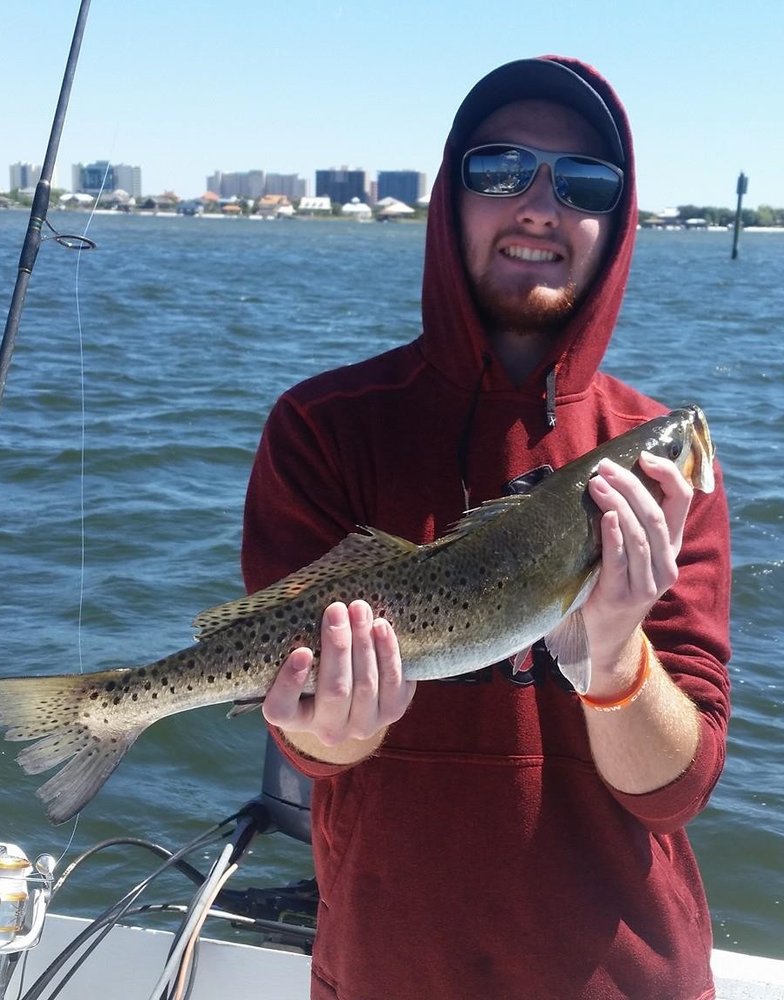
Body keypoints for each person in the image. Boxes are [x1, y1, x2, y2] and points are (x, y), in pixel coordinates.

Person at [242, 56, 732, 1000]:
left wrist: (614, 649)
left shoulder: (662, 476)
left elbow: (673, 791)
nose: (540, 206)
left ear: (616, 222)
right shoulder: (324, 425)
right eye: (500, 170)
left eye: (583, 181)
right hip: (386, 970)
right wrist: (337, 730)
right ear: (448, 196)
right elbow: (310, 748)